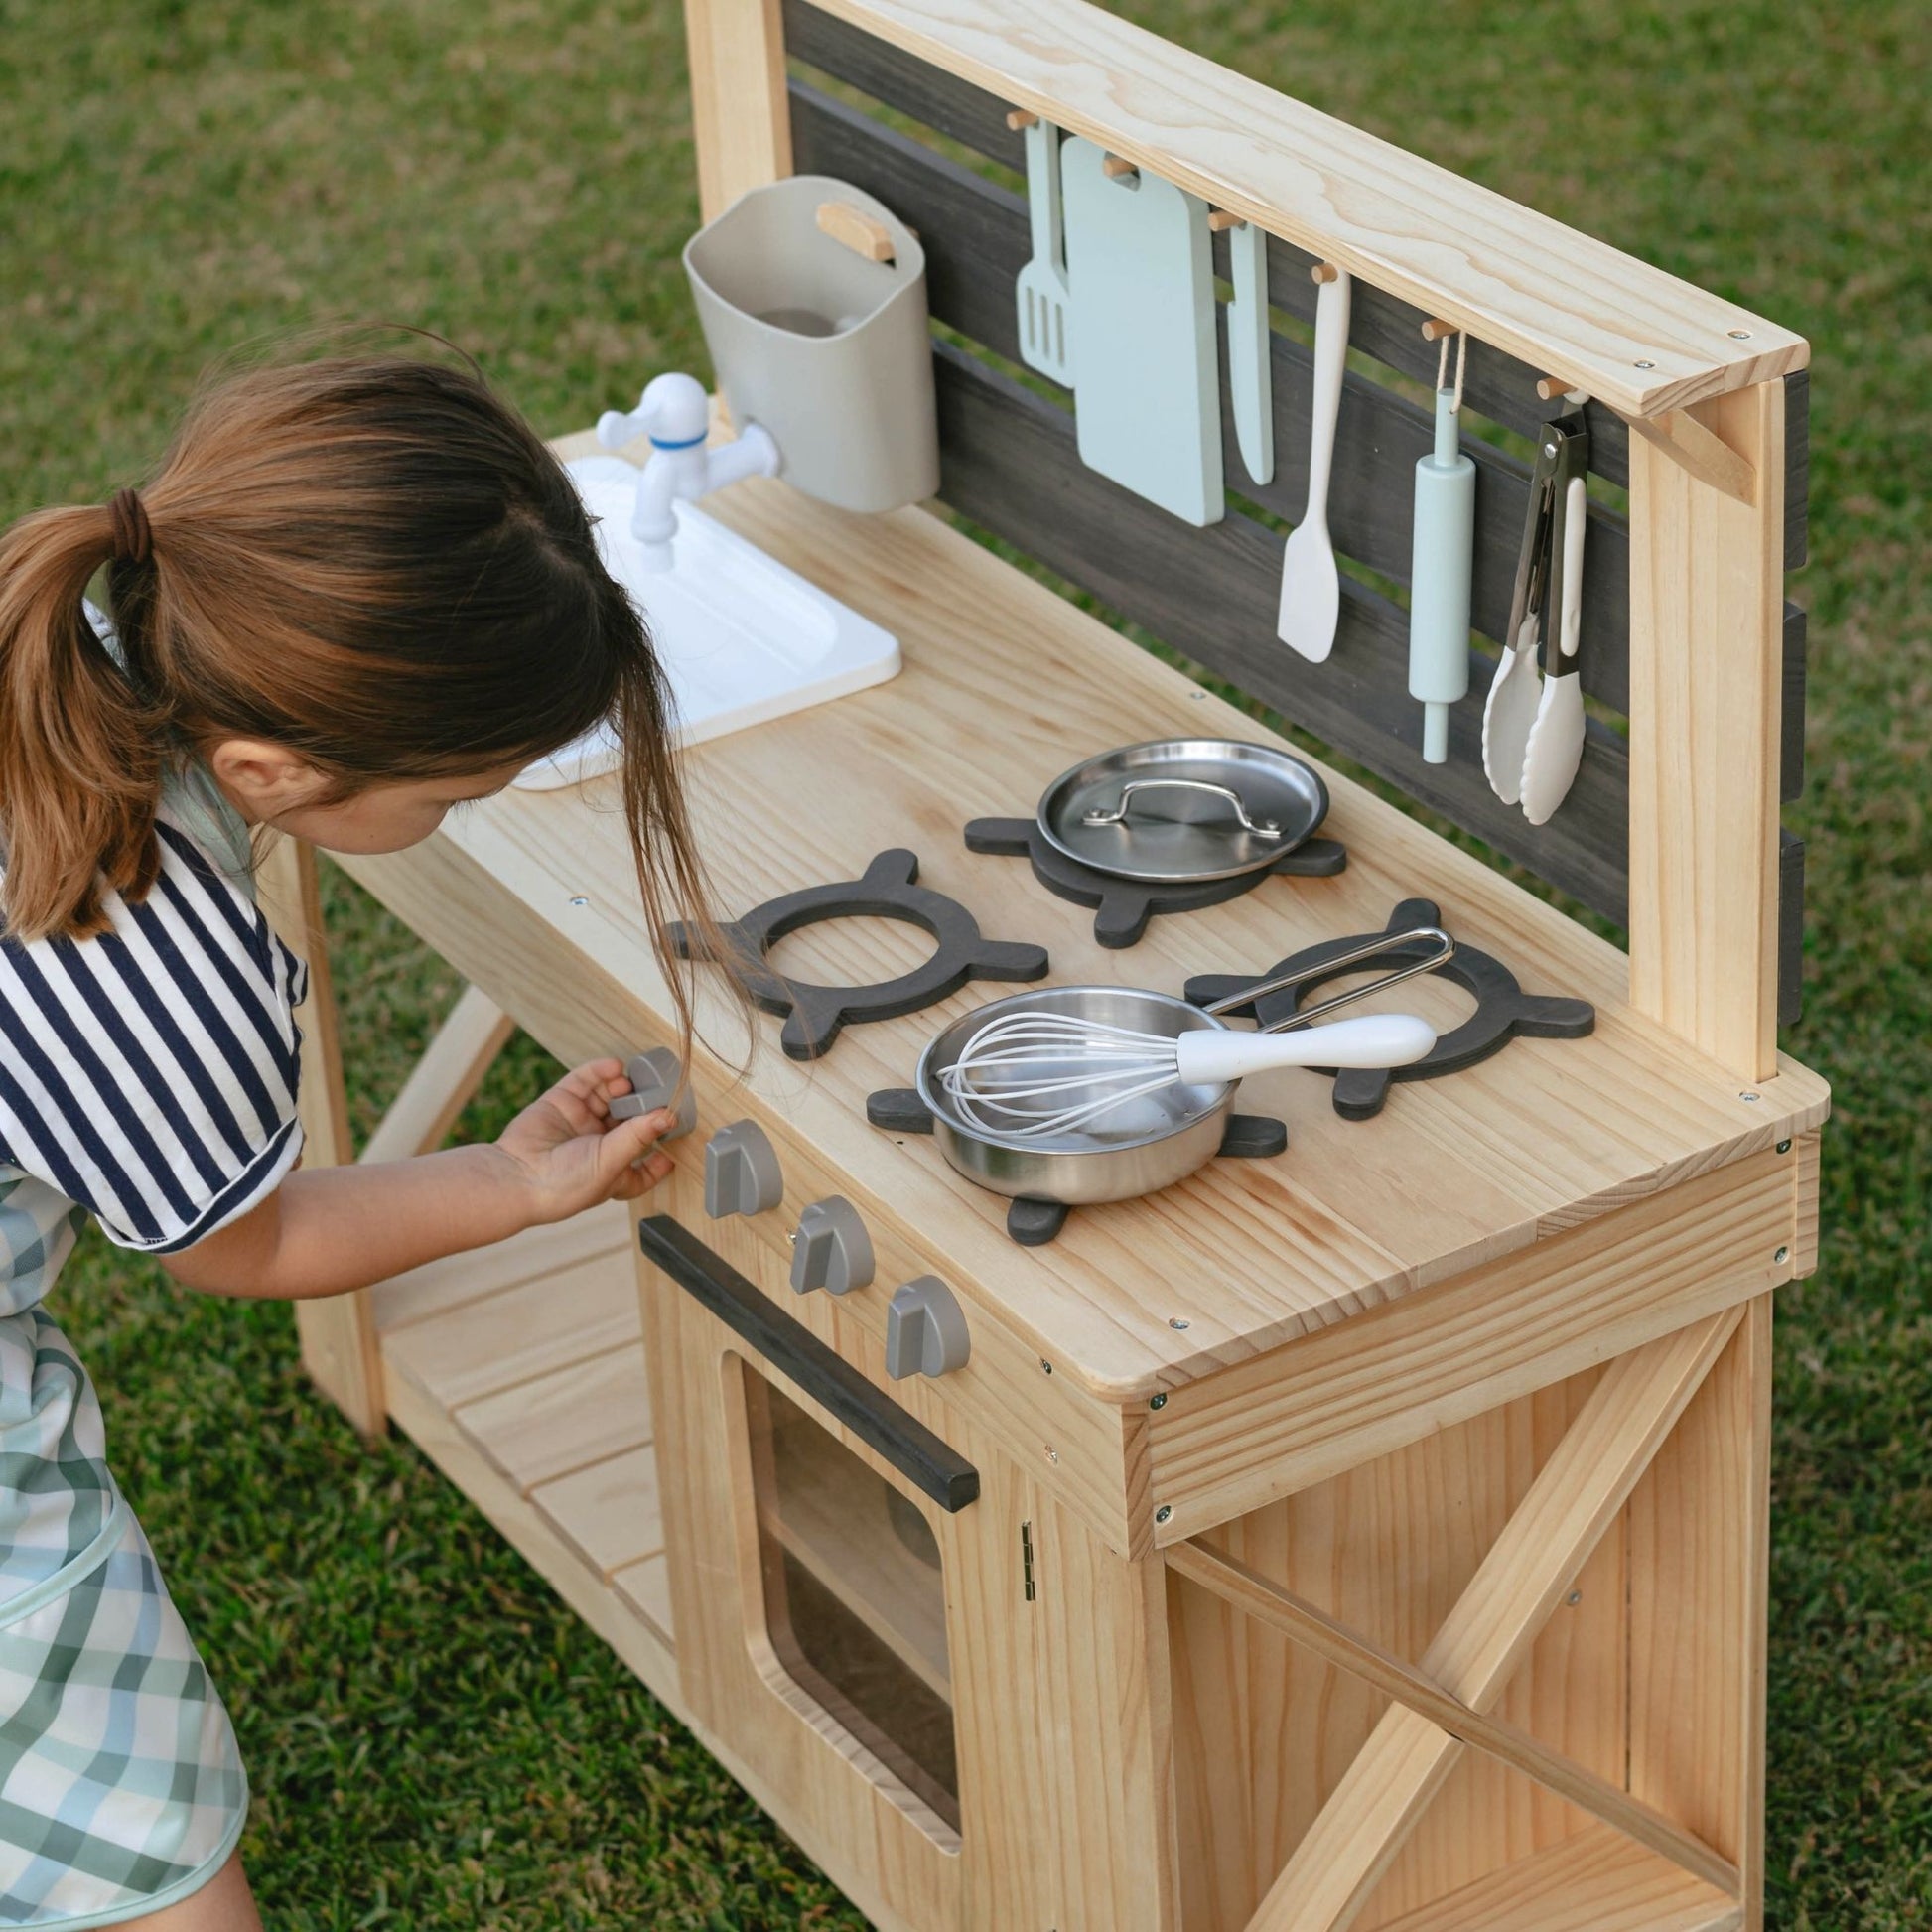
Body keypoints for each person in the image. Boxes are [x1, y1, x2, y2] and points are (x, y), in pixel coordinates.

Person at [0, 351, 706, 1928]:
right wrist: (513, 1187)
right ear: (272, 771)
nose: (465, 812)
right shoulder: (147, 938)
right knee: (136, 1833)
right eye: (459, 791)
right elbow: (237, 1242)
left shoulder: (63, 630)